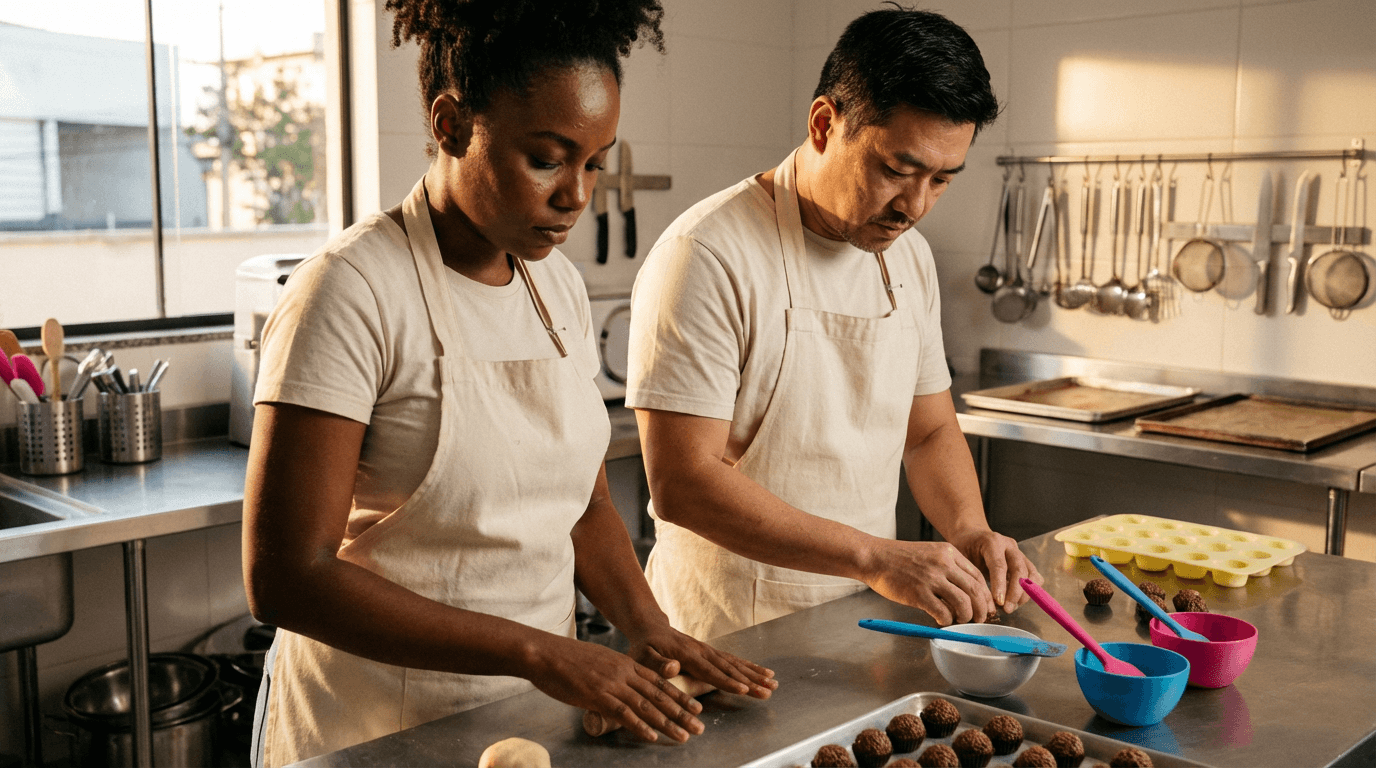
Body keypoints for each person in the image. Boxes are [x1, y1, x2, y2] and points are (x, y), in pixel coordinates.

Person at [241, 2, 774, 764]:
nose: (577, 195)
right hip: (371, 726)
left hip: (525, 721)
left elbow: (585, 503)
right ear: (453, 124)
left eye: (595, 163)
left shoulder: (554, 286)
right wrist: (538, 650)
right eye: (548, 159)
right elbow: (288, 577)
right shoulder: (350, 291)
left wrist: (649, 629)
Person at [627, 6, 1044, 642]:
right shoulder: (707, 254)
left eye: (941, 180)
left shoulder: (909, 258)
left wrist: (969, 528)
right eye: (896, 171)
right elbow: (683, 482)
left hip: (862, 619)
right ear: (825, 124)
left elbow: (929, 431)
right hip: (730, 629)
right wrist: (875, 557)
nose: (915, 205)